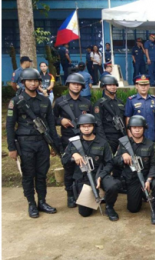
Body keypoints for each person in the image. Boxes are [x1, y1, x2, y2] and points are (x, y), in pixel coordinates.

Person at [7, 68, 61, 218]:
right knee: (28, 175)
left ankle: (42, 201)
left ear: (39, 82)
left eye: (35, 81)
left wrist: (54, 145)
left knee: (42, 174)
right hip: (25, 143)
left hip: (42, 142)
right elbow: (10, 125)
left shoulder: (44, 100)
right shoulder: (16, 101)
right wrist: (12, 148)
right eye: (29, 81)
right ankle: (31, 203)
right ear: (23, 82)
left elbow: (51, 125)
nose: (32, 83)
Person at [62, 114, 121, 221]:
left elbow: (110, 163)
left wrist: (101, 176)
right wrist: (73, 156)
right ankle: (93, 197)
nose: (86, 128)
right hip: (83, 177)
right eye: (83, 126)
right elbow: (64, 160)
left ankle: (109, 207)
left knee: (113, 185)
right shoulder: (74, 143)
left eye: (89, 125)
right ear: (79, 127)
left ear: (93, 126)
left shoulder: (103, 142)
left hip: (99, 174)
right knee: (85, 213)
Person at [114, 116, 155, 224]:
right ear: (130, 129)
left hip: (147, 175)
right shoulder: (124, 144)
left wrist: (149, 180)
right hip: (133, 179)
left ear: (144, 129)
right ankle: (141, 194)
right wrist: (123, 156)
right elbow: (115, 160)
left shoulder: (150, 144)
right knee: (133, 209)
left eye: (139, 128)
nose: (137, 130)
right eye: (134, 127)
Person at [53, 73, 93, 208]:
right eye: (73, 83)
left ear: (82, 86)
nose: (76, 86)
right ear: (68, 85)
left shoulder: (86, 103)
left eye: (79, 84)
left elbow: (93, 121)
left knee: (85, 167)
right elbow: (51, 119)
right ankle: (70, 195)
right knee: (69, 168)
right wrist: (60, 120)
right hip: (67, 140)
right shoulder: (60, 102)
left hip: (85, 140)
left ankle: (84, 193)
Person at [125, 75, 155, 142]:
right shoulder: (131, 100)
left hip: (151, 133)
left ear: (149, 86)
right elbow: (128, 117)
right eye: (141, 85)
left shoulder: (154, 99)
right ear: (136, 86)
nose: (143, 87)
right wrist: (129, 133)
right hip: (136, 134)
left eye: (145, 85)